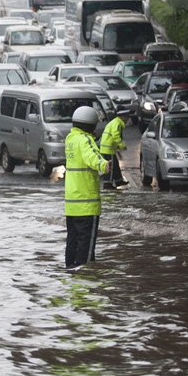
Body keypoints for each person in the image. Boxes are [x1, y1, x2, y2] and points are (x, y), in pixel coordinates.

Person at [64, 106, 111, 269]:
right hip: (87, 204)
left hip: (72, 204)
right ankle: (85, 275)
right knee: (87, 247)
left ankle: (70, 270)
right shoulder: (86, 140)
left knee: (73, 239)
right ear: (91, 125)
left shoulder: (70, 139)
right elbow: (91, 155)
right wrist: (104, 164)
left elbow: (83, 152)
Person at [99, 107, 130, 189]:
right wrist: (121, 145)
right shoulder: (118, 123)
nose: (128, 119)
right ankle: (107, 184)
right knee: (110, 167)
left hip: (108, 148)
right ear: (123, 117)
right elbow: (115, 135)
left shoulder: (115, 122)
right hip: (108, 149)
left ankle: (118, 181)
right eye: (127, 117)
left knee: (115, 165)